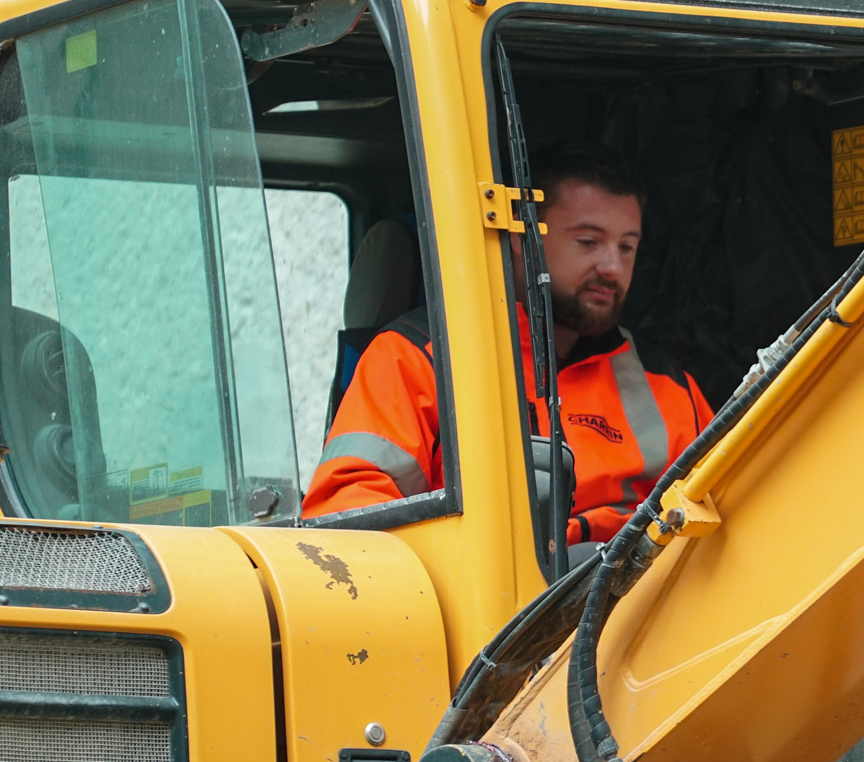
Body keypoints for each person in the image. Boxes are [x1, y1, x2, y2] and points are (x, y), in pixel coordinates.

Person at [302, 142, 713, 549]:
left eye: (627, 246)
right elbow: (346, 522)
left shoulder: (669, 385)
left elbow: (726, 514)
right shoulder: (416, 358)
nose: (612, 267)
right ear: (522, 236)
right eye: (588, 241)